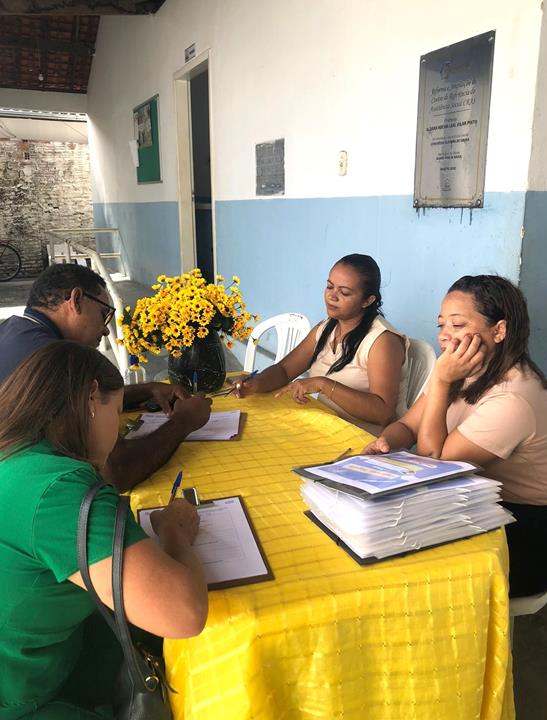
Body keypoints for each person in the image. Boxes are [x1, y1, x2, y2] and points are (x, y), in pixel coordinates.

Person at [0, 341, 208, 719]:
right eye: (119, 412)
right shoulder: (57, 490)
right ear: (92, 398)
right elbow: (184, 613)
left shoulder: (15, 450)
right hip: (22, 696)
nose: (121, 428)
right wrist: (175, 530)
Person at [363, 274, 547, 598]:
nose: (444, 336)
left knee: (398, 564)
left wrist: (441, 382)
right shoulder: (460, 369)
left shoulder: (512, 397)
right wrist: (385, 442)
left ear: (499, 331)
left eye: (457, 325)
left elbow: (434, 464)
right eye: (441, 325)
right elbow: (408, 426)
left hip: (526, 529)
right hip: (474, 500)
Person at [0, 264, 211, 491]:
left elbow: (72, 400)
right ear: (76, 300)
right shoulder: (55, 361)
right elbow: (116, 471)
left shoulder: (13, 330)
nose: (106, 330)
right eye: (104, 315)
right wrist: (184, 421)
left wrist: (147, 390)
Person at [233, 254, 409, 434]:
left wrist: (323, 385)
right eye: (329, 286)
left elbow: (383, 413)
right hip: (327, 428)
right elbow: (285, 370)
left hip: (366, 440)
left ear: (368, 300)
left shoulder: (382, 341)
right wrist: (257, 383)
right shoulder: (327, 328)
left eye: (344, 292)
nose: (332, 296)